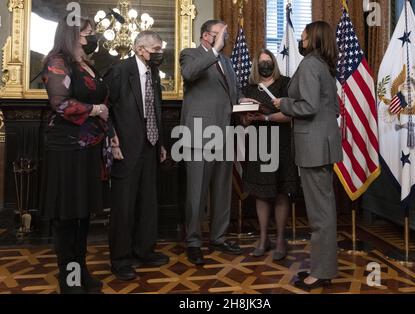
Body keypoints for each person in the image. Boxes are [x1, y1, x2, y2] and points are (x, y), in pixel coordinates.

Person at [41, 16, 115, 294]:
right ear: (72, 35)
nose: (92, 38)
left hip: (91, 145)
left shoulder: (86, 63)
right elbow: (60, 103)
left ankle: (81, 269)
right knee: (67, 214)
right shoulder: (57, 60)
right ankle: (68, 276)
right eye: (87, 33)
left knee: (83, 212)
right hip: (67, 147)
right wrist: (95, 110)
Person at [179, 20, 255, 265]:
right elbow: (190, 74)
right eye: (221, 34)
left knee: (222, 190)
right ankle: (193, 242)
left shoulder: (227, 62)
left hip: (224, 133)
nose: (226, 38)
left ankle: (219, 237)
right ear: (206, 36)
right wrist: (214, 50)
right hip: (199, 134)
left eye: (226, 33)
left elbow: (232, 94)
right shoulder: (189, 54)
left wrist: (244, 104)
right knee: (196, 192)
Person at [273, 21, 343, 290]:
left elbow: (310, 106)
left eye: (303, 36)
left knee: (319, 215)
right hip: (320, 145)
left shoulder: (312, 64)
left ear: (313, 38)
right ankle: (323, 268)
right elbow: (333, 109)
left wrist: (284, 103)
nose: (301, 40)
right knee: (322, 211)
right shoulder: (325, 66)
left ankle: (322, 272)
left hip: (314, 148)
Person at [105, 31, 169, 281]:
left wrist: (161, 143)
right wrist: (112, 136)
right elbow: (104, 105)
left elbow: (156, 109)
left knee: (147, 202)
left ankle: (144, 250)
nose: (158, 53)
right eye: (155, 49)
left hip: (150, 146)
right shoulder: (120, 71)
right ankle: (120, 259)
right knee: (124, 205)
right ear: (140, 48)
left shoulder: (153, 73)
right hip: (125, 147)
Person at [240, 49, 299, 261]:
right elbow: (244, 121)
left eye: (268, 61)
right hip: (258, 144)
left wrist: (265, 118)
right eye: (261, 62)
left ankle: (281, 239)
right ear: (256, 66)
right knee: (261, 193)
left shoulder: (286, 83)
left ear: (274, 63)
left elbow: (291, 114)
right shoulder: (249, 88)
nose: (265, 65)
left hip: (282, 143)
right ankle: (263, 239)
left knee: (282, 192)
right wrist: (246, 117)